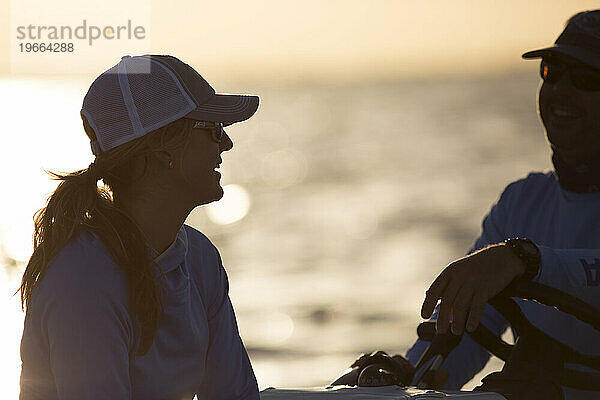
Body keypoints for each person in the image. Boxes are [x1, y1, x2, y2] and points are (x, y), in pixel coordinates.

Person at [18, 55, 260, 400]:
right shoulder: (83, 280)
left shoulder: (201, 258)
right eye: (212, 128)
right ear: (164, 148)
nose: (226, 144)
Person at [404, 10, 600, 399]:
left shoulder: (516, 247)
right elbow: (471, 329)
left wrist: (525, 260)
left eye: (586, 77)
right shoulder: (521, 202)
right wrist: (409, 376)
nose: (561, 89)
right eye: (552, 70)